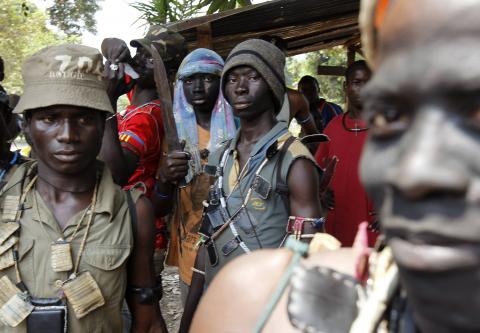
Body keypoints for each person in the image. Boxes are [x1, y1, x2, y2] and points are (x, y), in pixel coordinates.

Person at [192, 1, 480, 332]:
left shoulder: (292, 158)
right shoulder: (292, 304)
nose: (412, 170)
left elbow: (304, 236)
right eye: (390, 116)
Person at [0, 44, 166, 332]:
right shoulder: (3, 198)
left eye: (85, 118)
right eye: (50, 118)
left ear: (103, 125)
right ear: (27, 126)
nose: (67, 135)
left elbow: (147, 319)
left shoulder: (131, 210)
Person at [181, 38, 323, 332]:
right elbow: (206, 241)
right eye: (232, 79)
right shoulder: (220, 156)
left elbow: (306, 254)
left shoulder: (294, 161)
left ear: (272, 84)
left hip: (266, 312)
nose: (240, 87)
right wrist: (187, 322)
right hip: (218, 304)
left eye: (253, 77)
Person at [100, 26, 188, 275]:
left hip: (138, 234)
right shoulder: (138, 92)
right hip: (128, 225)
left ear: (166, 73)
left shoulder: (148, 117)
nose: (137, 59)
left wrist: (107, 101)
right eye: (139, 51)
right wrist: (113, 45)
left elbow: (117, 174)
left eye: (149, 58)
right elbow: (108, 44)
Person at [155, 48, 236, 304]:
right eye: (189, 80)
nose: (198, 88)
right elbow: (160, 205)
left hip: (233, 248)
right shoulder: (172, 135)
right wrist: (165, 179)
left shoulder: (240, 129)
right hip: (190, 249)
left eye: (208, 78)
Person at [314, 60, 377, 247]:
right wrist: (321, 194)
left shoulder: (386, 127)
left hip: (374, 219)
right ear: (346, 87)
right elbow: (317, 171)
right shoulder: (333, 127)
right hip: (339, 215)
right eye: (357, 83)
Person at [259, 36, 319, 136]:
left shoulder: (294, 99)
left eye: (279, 57)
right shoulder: (238, 92)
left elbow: (314, 138)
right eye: (266, 56)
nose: (272, 62)